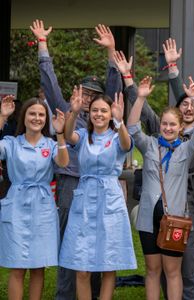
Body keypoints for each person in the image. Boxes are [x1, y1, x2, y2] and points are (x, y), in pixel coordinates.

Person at [31, 19, 122, 300]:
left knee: (101, 244)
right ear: (78, 94)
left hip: (104, 189)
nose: (88, 99)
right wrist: (43, 46)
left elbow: (114, 85)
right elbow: (49, 81)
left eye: (94, 96)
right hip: (73, 184)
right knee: (72, 243)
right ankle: (65, 295)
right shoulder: (68, 113)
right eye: (85, 93)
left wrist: (111, 52)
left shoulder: (103, 121)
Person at [126, 75, 194, 300]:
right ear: (160, 125)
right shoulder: (150, 145)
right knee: (152, 270)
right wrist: (140, 98)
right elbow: (132, 127)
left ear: (181, 127)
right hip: (148, 218)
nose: (168, 128)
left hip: (175, 218)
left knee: (172, 271)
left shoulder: (186, 149)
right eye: (164, 124)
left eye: (173, 124)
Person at [59, 87, 136, 300]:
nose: (99, 114)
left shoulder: (116, 135)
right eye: (95, 110)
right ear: (89, 113)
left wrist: (120, 122)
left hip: (109, 201)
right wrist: (73, 113)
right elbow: (67, 135)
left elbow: (127, 144)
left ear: (111, 114)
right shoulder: (84, 135)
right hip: (84, 201)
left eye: (104, 110)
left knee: (108, 263)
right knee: (81, 266)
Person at [0, 95, 69, 300]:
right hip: (16, 206)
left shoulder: (50, 144)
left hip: (43, 207)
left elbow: (64, 163)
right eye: (32, 113)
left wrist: (60, 133)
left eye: (41, 114)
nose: (37, 118)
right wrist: (2, 116)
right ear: (24, 117)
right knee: (18, 266)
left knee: (39, 265)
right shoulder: (11, 143)